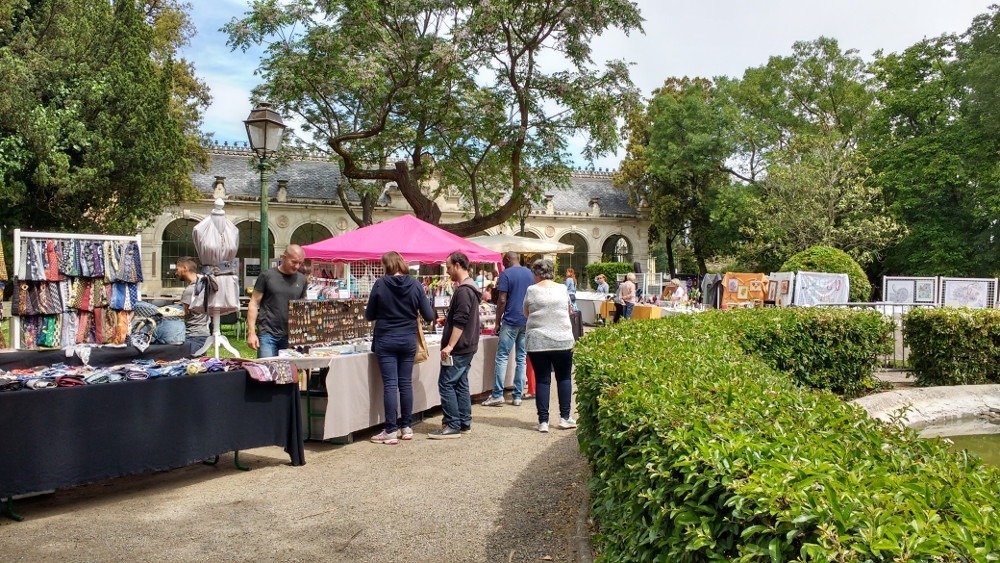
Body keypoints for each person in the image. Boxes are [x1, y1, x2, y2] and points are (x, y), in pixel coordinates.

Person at [365, 251, 436, 445]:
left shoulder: (380, 284)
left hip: (386, 339)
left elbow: (369, 315)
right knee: (405, 383)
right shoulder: (415, 285)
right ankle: (406, 427)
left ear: (386, 266)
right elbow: (429, 315)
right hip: (407, 339)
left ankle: (390, 430)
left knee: (390, 384)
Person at [429, 252, 482, 439]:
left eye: (449, 267)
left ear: (458, 265)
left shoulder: (464, 291)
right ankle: (463, 422)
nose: (448, 270)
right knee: (460, 383)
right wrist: (448, 321)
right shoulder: (470, 288)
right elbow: (460, 319)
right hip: (467, 344)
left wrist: (450, 345)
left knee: (446, 383)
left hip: (460, 347)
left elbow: (461, 321)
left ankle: (452, 424)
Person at [523, 259, 576, 433]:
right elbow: (569, 308)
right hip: (562, 339)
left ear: (536, 273)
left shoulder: (532, 290)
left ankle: (543, 421)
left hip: (538, 341)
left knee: (543, 379)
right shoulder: (562, 288)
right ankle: (565, 417)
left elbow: (526, 312)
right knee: (564, 378)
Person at [483, 251, 536, 406]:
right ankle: (517, 396)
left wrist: (497, 322)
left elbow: (501, 300)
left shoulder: (506, 274)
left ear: (507, 260)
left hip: (511, 320)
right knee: (521, 358)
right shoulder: (530, 274)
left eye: (503, 261)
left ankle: (498, 394)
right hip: (526, 320)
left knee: (502, 357)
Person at [246, 244, 308, 358]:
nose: (297, 266)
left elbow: (302, 307)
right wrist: (251, 333)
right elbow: (254, 303)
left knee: (288, 373)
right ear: (283, 257)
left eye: (300, 263)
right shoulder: (267, 276)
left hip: (291, 336)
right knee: (267, 372)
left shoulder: (302, 279)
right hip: (268, 334)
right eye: (293, 262)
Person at [176, 257, 209, 356]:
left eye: (177, 269)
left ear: (185, 268)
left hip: (193, 335)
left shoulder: (190, 290)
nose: (176, 273)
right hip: (203, 333)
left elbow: (184, 312)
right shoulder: (204, 284)